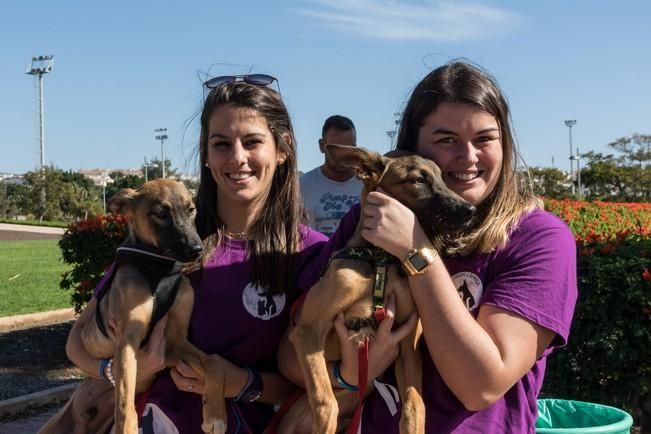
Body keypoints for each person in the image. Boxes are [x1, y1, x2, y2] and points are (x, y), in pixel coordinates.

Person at [280, 61, 578, 433]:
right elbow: (292, 358)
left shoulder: (538, 239)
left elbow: (480, 385)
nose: (468, 156)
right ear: (413, 149)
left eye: (485, 139)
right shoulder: (365, 226)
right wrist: (349, 375)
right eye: (446, 140)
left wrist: (415, 250)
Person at [65, 75, 327, 433]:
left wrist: (242, 384)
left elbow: (312, 379)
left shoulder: (312, 254)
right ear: (206, 154)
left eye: (252, 142)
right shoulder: (167, 242)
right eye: (221, 144)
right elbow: (77, 343)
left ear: (282, 149)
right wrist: (116, 372)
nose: (238, 158)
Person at [300, 115, 362, 237]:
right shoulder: (301, 187)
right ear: (322, 146)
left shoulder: (369, 185)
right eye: (336, 149)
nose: (343, 156)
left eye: (349, 149)